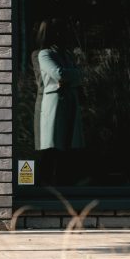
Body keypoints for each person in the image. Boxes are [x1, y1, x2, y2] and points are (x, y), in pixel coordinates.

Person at [32, 19, 85, 185]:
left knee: (64, 146)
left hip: (66, 102)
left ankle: (60, 183)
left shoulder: (64, 55)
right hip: (53, 105)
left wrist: (70, 78)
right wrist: (70, 76)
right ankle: (44, 184)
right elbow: (59, 73)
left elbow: (78, 75)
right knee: (51, 146)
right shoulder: (44, 54)